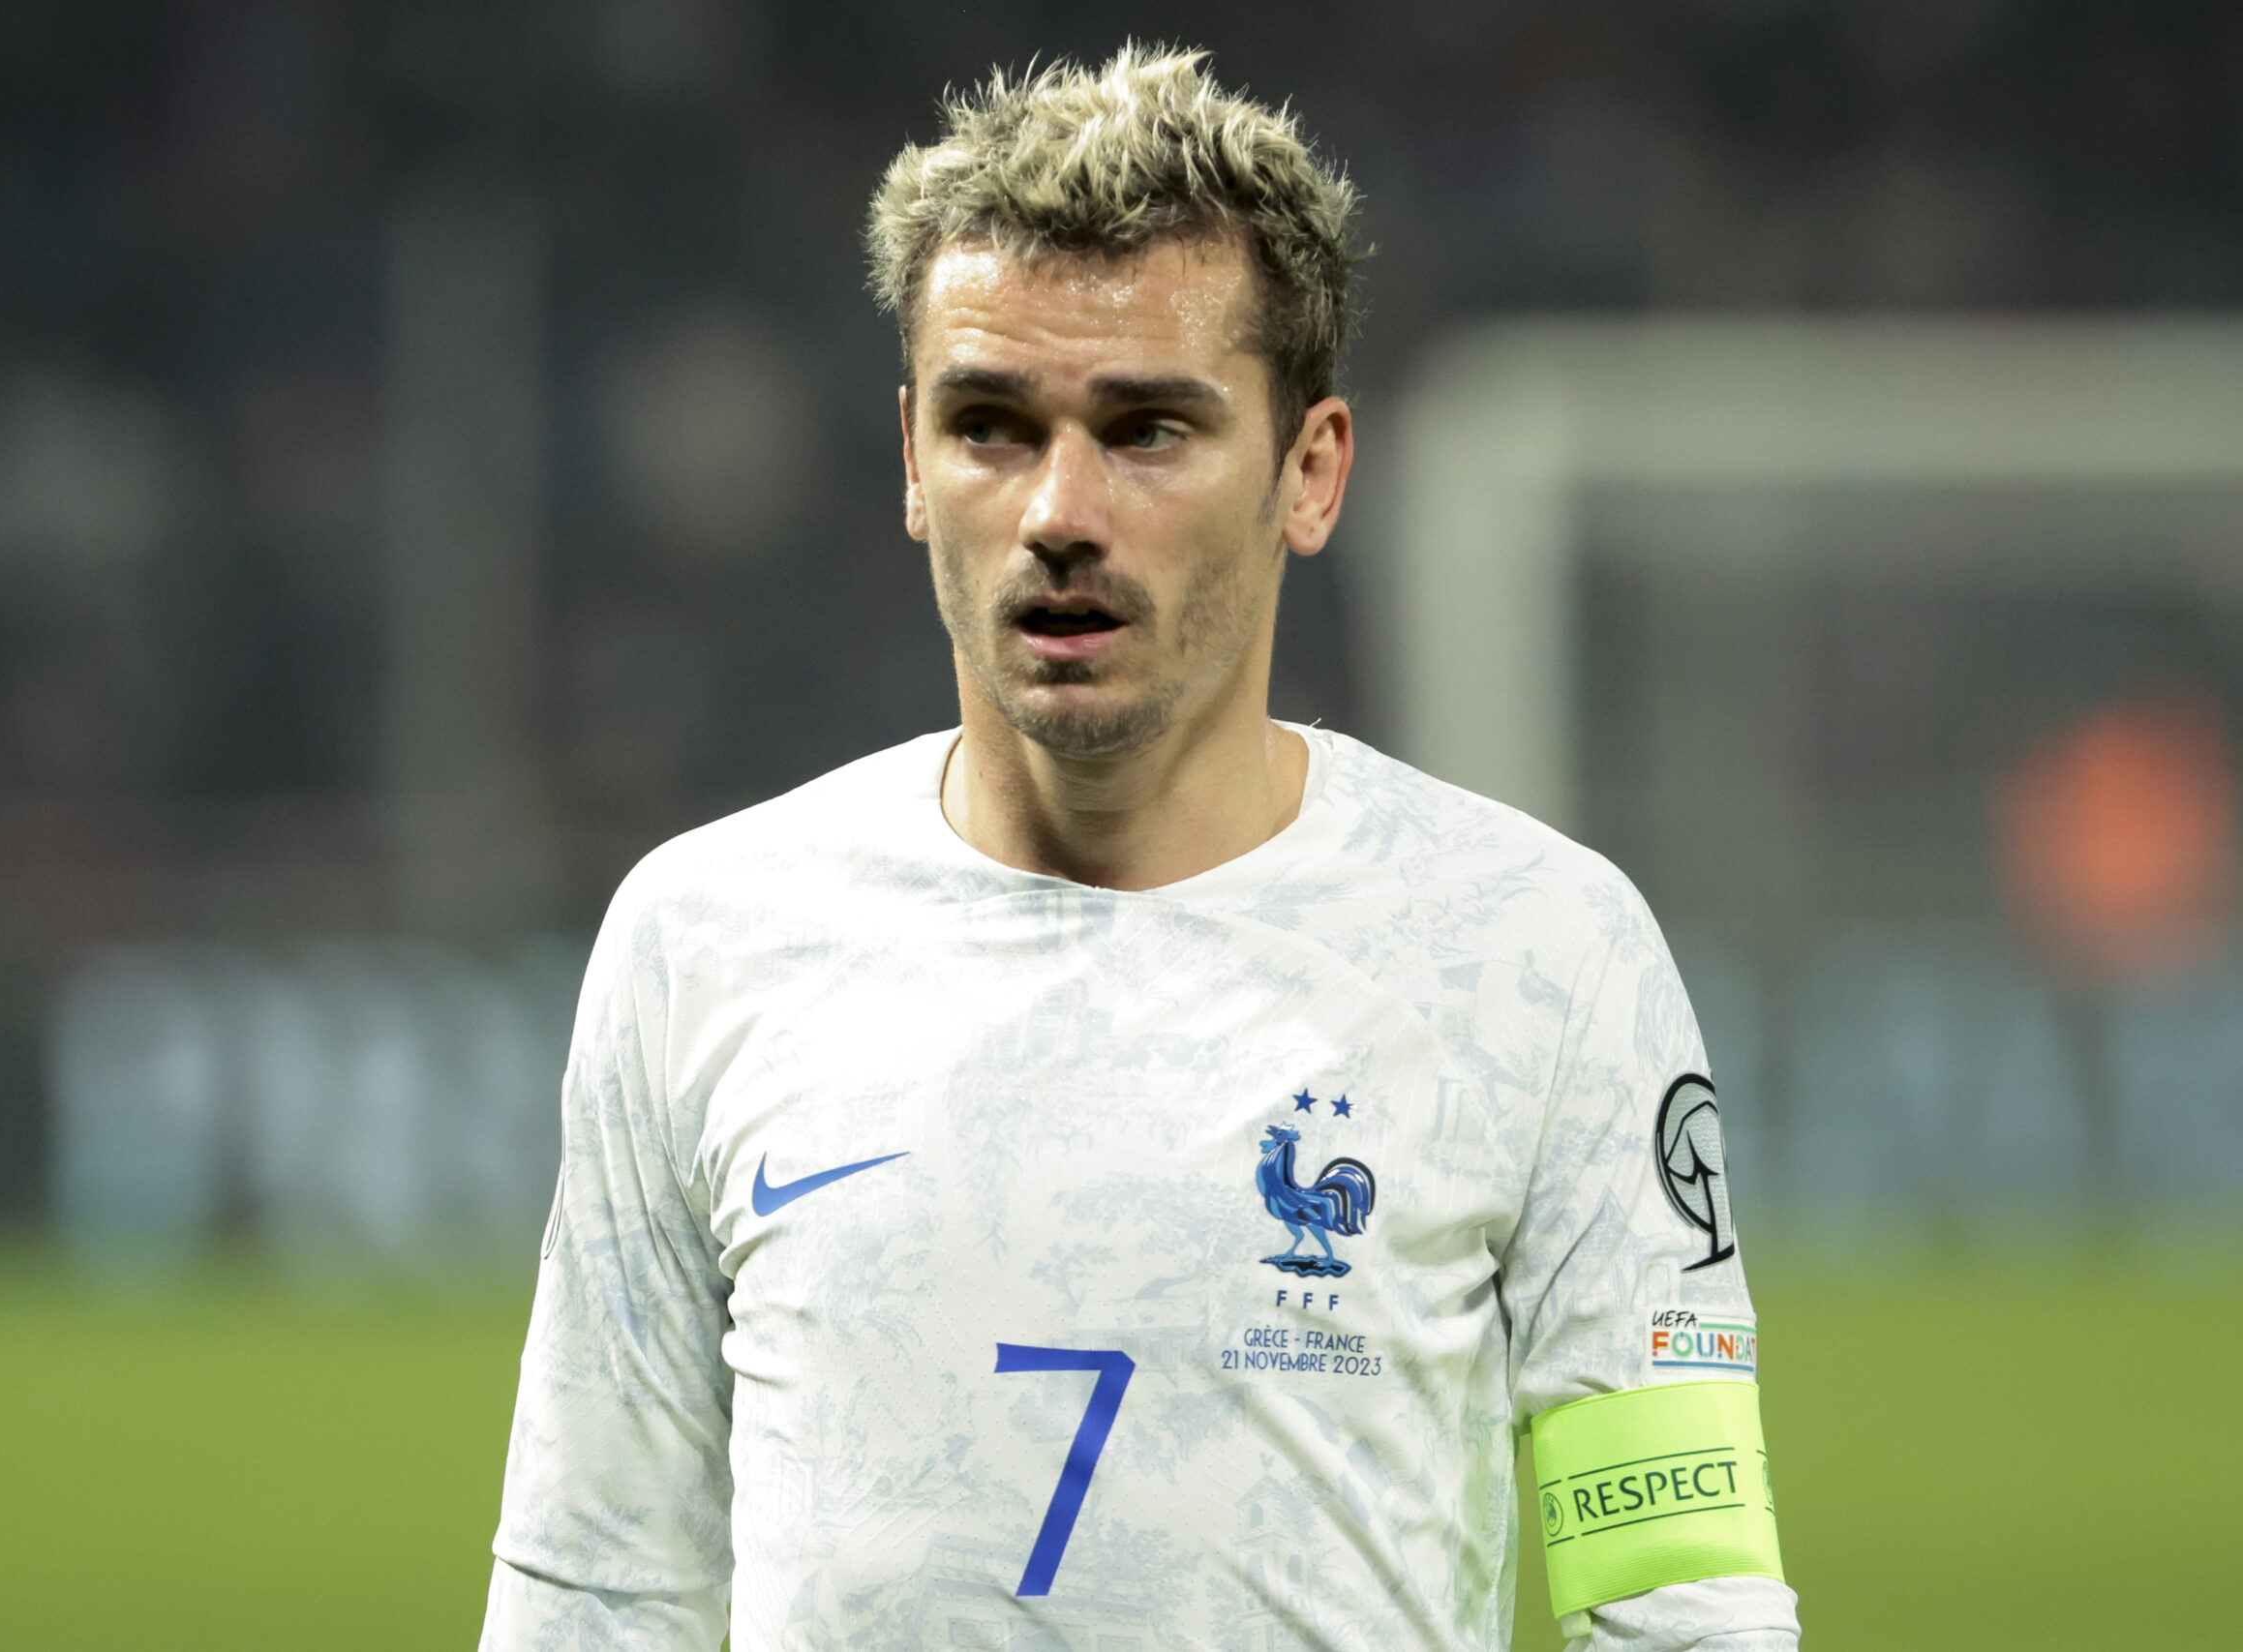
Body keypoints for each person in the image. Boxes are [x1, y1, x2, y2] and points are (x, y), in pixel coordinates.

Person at [481, 44, 1801, 1652]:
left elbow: (1679, 1601)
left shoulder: (1542, 952)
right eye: (990, 425)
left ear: (1311, 471)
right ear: (911, 464)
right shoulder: (704, 938)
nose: (1058, 510)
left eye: (1149, 429)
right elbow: (595, 1591)